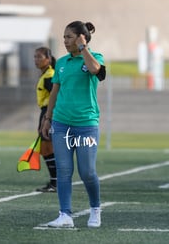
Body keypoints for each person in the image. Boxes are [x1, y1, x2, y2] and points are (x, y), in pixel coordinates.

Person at [41, 21, 106, 228]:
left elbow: (97, 71)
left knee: (87, 171)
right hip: (61, 124)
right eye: (64, 37)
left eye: (69, 37)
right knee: (64, 170)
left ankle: (95, 209)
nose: (65, 41)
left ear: (81, 38)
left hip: (86, 124)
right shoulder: (61, 62)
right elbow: (55, 92)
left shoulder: (94, 58)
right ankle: (65, 215)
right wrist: (47, 118)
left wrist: (83, 47)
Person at [33, 47, 58, 192]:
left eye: (39, 57)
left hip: (49, 113)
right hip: (45, 112)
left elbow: (56, 96)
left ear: (48, 59)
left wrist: (47, 118)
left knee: (47, 147)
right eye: (35, 57)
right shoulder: (45, 74)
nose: (36, 60)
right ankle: (55, 182)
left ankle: (56, 182)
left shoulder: (50, 75)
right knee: (46, 148)